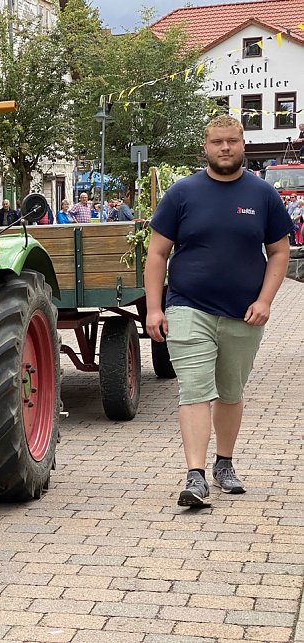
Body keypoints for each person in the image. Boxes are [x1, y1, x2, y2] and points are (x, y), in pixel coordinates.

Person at [144, 115, 291, 508]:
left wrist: (265, 301)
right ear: (205, 148)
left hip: (245, 314)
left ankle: (224, 464)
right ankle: (195, 475)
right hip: (189, 306)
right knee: (194, 389)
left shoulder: (263, 195)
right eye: (216, 142)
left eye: (231, 142)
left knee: (230, 391)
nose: (225, 148)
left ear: (244, 145)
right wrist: (155, 308)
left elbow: (280, 251)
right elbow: (157, 253)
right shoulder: (182, 193)